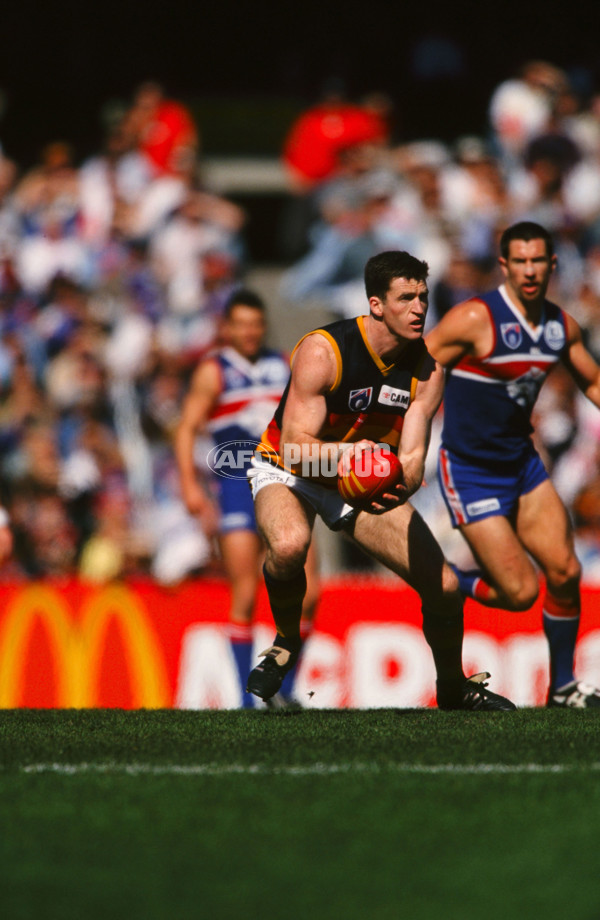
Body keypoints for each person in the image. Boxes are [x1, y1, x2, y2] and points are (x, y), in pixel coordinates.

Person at [246, 250, 516, 711]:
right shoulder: (322, 351)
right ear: (376, 305)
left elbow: (411, 459)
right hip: (288, 467)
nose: (419, 308)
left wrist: (398, 483)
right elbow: (294, 446)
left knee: (446, 588)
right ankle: (286, 640)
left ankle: (452, 687)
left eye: (423, 297)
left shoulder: (428, 370)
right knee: (289, 546)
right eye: (406, 298)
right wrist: (354, 457)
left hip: (359, 479)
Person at [426, 220, 600, 708]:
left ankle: (563, 687)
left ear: (552, 264)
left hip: (522, 466)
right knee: (521, 593)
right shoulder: (475, 318)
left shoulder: (559, 326)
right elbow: (421, 362)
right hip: (470, 469)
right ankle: (441, 579)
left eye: (537, 261)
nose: (529, 270)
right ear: (504, 265)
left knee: (565, 573)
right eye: (519, 261)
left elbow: (591, 380)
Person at [175, 289, 318, 707]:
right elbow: (185, 427)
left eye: (256, 323)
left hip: (286, 482)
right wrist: (190, 485)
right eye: (241, 324)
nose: (250, 331)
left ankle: (285, 691)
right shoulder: (213, 371)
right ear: (227, 327)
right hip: (237, 485)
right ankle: (245, 699)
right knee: (245, 591)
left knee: (310, 592)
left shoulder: (282, 363)